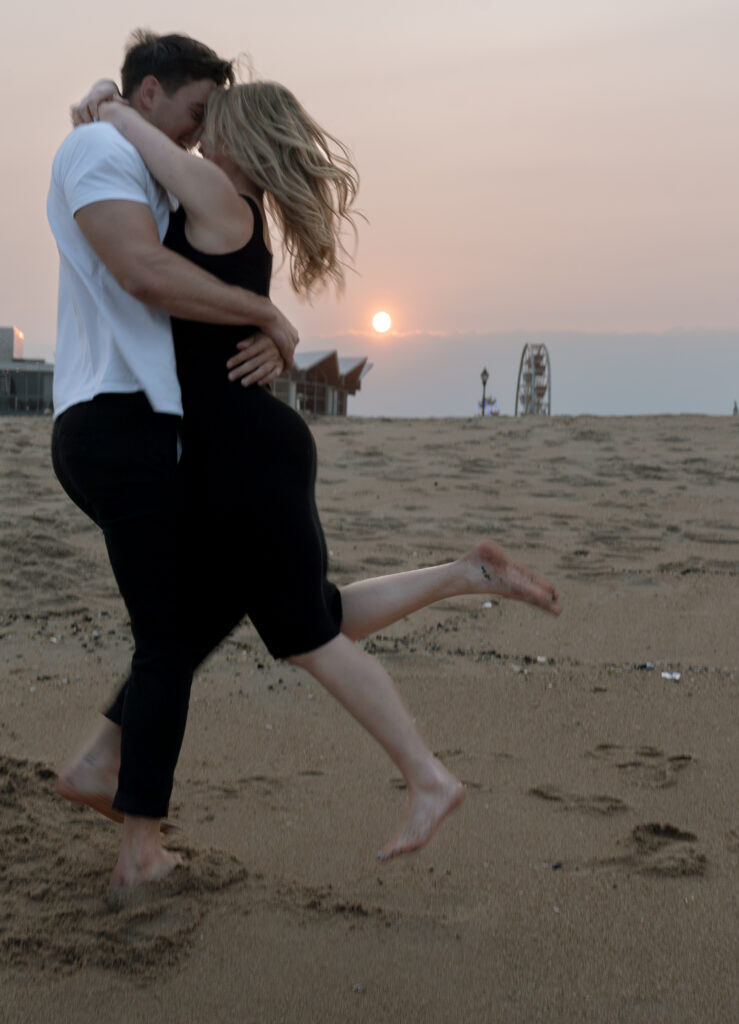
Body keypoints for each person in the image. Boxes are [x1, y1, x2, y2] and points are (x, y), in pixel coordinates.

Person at [56, 73, 562, 886]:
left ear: (237, 139)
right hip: (245, 453)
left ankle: (428, 777)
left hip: (250, 455)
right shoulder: (232, 210)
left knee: (307, 636)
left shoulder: (222, 198)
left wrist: (110, 105)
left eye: (207, 123)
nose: (193, 137)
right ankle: (468, 573)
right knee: (298, 614)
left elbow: (146, 149)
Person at [48, 32, 302, 888]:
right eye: (194, 114)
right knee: (166, 637)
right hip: (114, 424)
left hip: (152, 427)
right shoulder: (92, 150)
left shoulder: (132, 150)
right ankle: (139, 850)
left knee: (221, 592)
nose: (196, 138)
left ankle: (102, 767)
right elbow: (143, 273)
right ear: (149, 93)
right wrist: (264, 315)